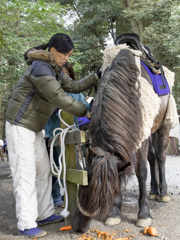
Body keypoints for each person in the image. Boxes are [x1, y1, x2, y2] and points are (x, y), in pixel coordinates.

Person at [5, 33, 100, 238]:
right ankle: (26, 223)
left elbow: (73, 86)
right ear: (53, 50)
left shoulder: (54, 69)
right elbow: (58, 97)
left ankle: (44, 213)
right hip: (19, 126)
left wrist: (96, 76)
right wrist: (86, 111)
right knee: (26, 175)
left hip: (34, 128)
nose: (67, 57)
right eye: (65, 53)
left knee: (44, 170)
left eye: (70, 54)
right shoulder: (40, 67)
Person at [44, 62, 91, 206]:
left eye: (68, 73)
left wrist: (94, 105)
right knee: (57, 165)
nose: (66, 76)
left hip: (72, 134)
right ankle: (55, 195)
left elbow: (86, 107)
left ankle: (71, 195)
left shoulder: (76, 93)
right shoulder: (49, 92)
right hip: (55, 134)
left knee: (73, 164)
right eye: (62, 73)